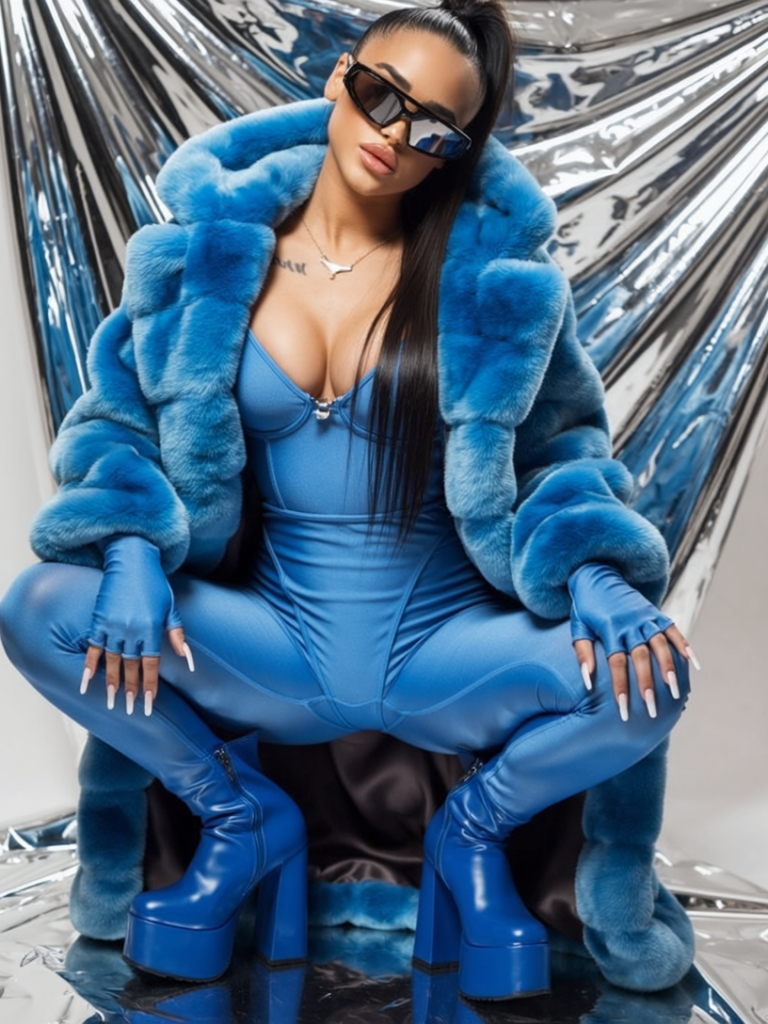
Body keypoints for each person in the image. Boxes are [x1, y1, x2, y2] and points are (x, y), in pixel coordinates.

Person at [0, 0, 697, 1001]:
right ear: (340, 78)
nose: (395, 135)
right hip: (271, 645)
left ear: (454, 152)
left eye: (434, 129)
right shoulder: (200, 257)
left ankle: (472, 832)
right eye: (381, 96)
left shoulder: (494, 285)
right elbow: (119, 425)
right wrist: (131, 555)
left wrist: (597, 576)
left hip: (443, 652)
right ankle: (241, 815)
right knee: (38, 607)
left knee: (652, 679)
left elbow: (558, 453)